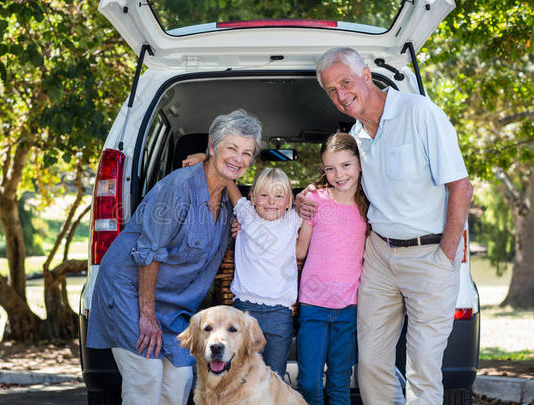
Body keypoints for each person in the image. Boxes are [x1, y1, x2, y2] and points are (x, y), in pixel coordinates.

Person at [295, 48, 474, 404]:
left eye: (345, 82)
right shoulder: (357, 134)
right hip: (379, 254)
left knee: (423, 367)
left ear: (366, 75)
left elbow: (461, 188)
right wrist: (308, 194)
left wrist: (445, 256)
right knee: (371, 365)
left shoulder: (419, 113)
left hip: (431, 255)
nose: (341, 95)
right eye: (331, 90)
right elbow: (343, 181)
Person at [86, 109, 262, 405]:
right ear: (212, 147)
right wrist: (147, 315)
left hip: (174, 306)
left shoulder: (229, 206)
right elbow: (150, 253)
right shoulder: (178, 188)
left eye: (246, 153)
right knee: (147, 377)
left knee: (180, 379)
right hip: (130, 291)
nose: (238, 158)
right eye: (231, 148)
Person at [181, 156, 303, 379]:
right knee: (239, 377)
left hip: (280, 313)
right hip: (244, 311)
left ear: (289, 202)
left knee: (273, 377)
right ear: (253, 198)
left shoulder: (293, 220)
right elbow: (229, 184)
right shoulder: (246, 215)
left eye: (278, 196)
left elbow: (315, 202)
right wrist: (208, 159)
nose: (271, 201)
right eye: (264, 195)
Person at [293, 132, 368, 405]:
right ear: (323, 170)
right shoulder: (316, 200)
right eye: (330, 168)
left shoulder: (369, 207)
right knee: (309, 384)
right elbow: (300, 250)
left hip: (349, 308)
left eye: (346, 165)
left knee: (338, 384)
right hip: (313, 305)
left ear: (360, 164)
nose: (339, 174)